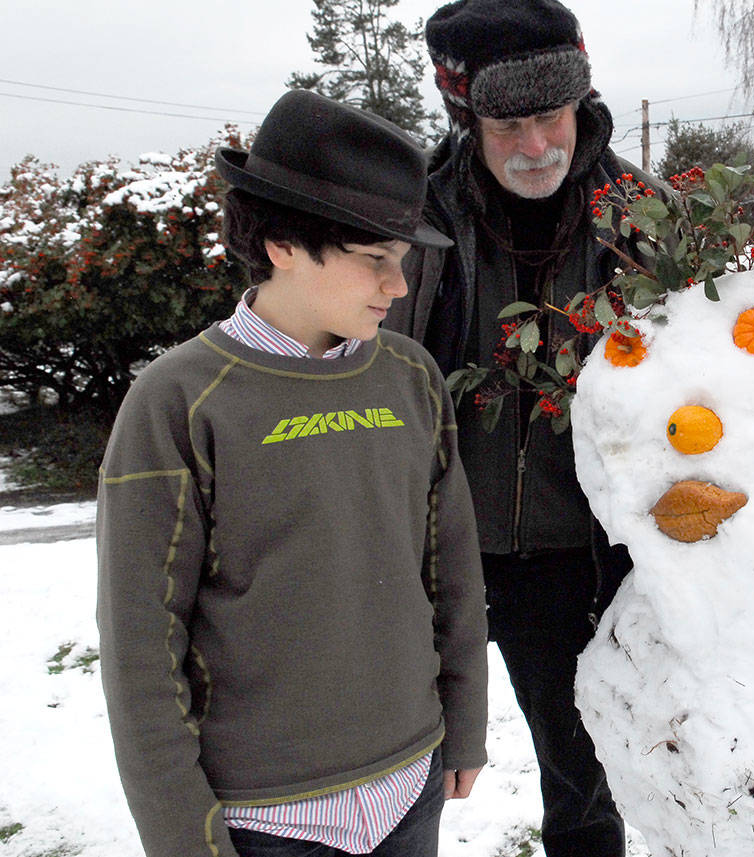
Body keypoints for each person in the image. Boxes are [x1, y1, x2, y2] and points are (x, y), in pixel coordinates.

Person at [96, 89, 489, 857]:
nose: (399, 286)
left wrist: (464, 724)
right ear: (282, 243)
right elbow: (141, 645)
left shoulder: (410, 378)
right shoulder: (178, 401)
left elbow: (452, 569)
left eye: (401, 261)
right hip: (268, 818)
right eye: (375, 260)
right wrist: (183, 835)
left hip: (411, 782)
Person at [385, 1, 650, 853]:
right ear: (467, 114)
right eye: (508, 124)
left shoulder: (645, 220)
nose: (535, 145)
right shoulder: (413, 224)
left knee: (582, 774)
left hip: (577, 563)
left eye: (551, 115)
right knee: (399, 766)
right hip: (429, 548)